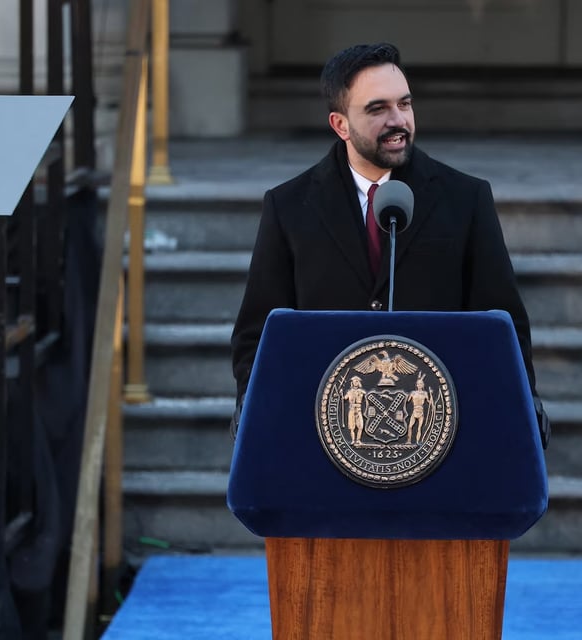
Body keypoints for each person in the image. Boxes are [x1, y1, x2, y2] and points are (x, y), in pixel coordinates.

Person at [230, 42, 549, 447]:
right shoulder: (289, 206)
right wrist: (252, 402)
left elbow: (503, 323)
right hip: (322, 438)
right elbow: (257, 332)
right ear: (340, 124)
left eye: (405, 104)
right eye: (377, 109)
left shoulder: (466, 198)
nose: (399, 120)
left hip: (439, 436)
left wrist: (524, 400)